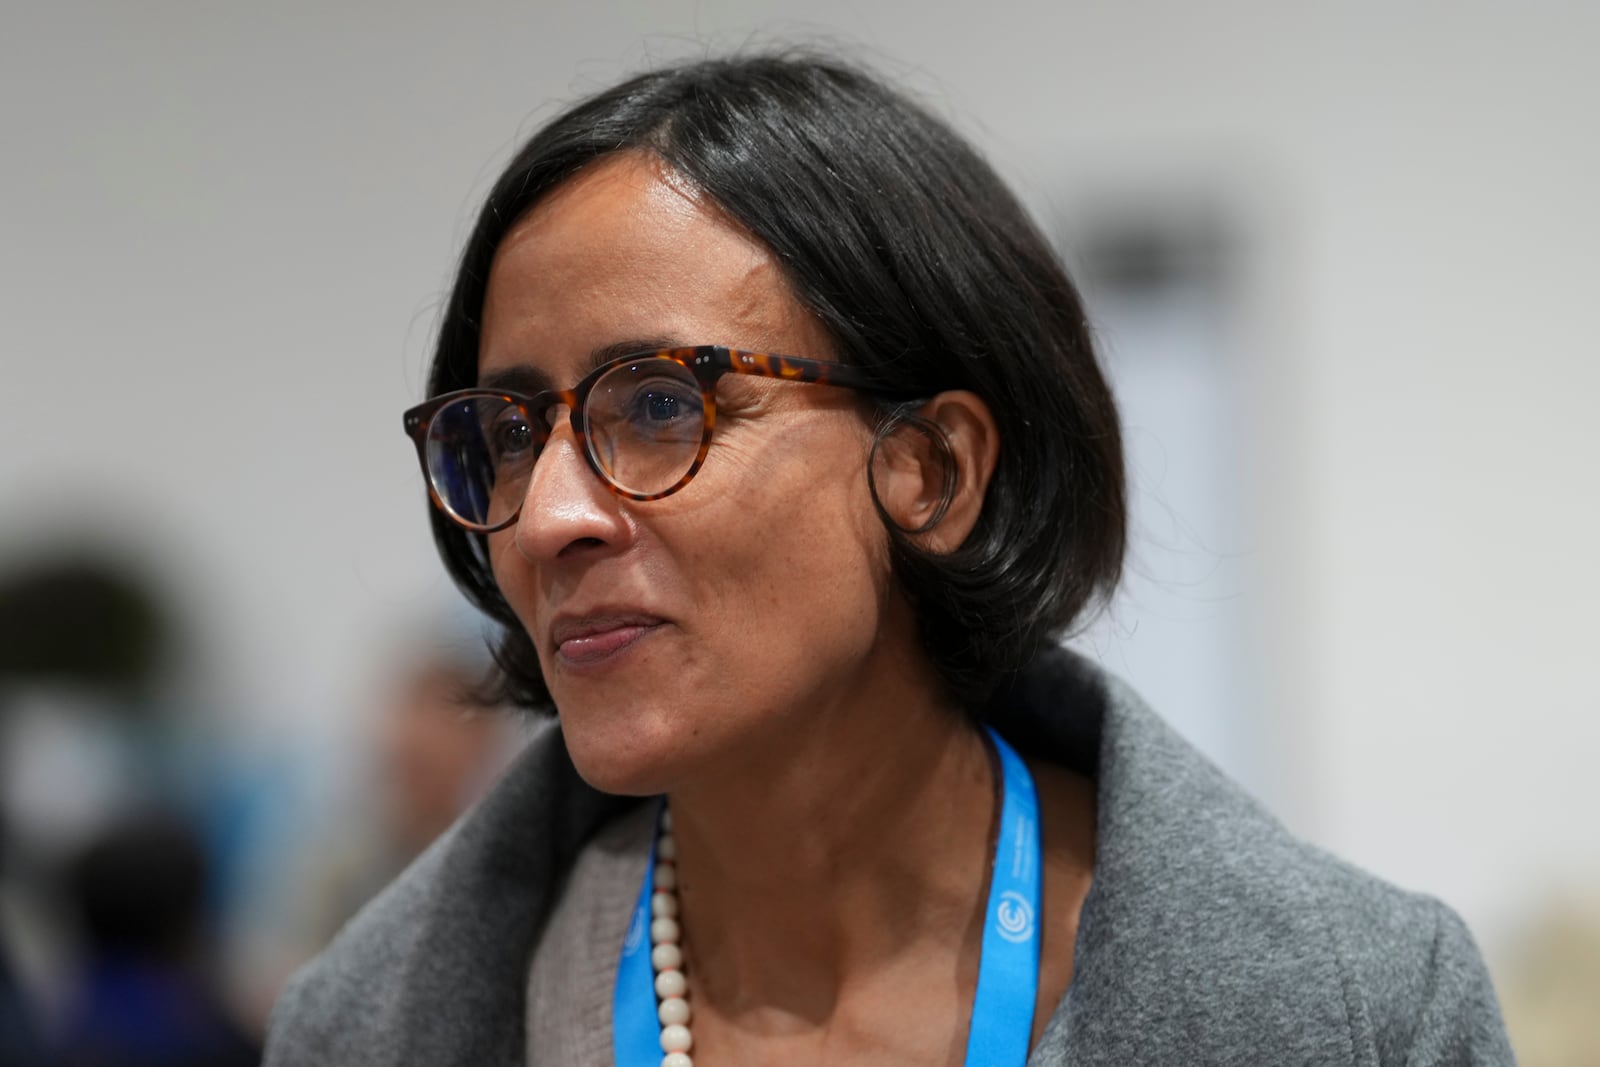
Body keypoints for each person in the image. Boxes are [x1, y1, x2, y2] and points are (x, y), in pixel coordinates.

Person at [264, 52, 1513, 1066]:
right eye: (510, 433)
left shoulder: (1353, 1012)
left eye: (655, 405)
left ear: (933, 472)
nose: (546, 519)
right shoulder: (372, 1028)